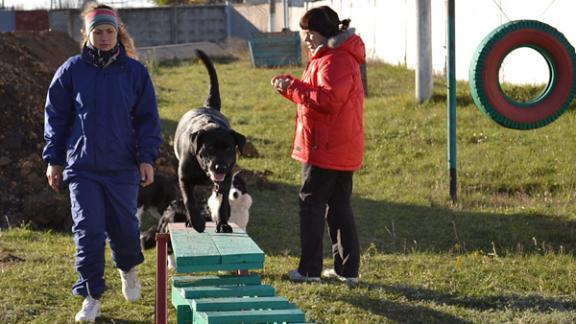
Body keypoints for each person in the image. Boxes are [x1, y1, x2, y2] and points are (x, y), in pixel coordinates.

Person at [42, 2, 162, 322]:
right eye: (98, 31)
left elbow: (148, 120)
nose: (105, 37)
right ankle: (91, 295)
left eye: (110, 31)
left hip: (122, 166)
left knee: (124, 229)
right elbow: (56, 118)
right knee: (88, 230)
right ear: (87, 33)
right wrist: (54, 160)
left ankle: (127, 269)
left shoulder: (135, 72)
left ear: (117, 32)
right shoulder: (71, 70)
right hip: (82, 167)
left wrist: (146, 158)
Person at [270, 6, 365, 286]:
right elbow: (320, 98)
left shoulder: (333, 60)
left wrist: (291, 87)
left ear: (323, 33)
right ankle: (347, 271)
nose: (306, 39)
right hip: (338, 147)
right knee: (338, 208)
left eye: (309, 33)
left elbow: (327, 100)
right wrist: (291, 87)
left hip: (324, 149)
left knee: (311, 207)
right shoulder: (335, 57)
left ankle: (309, 270)